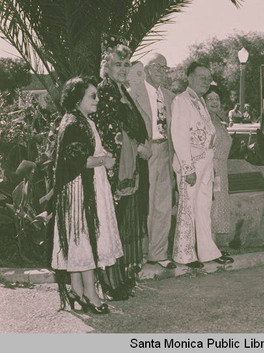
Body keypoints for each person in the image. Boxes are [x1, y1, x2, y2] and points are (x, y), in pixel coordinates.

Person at [50, 76, 123, 314]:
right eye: (92, 96)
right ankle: (91, 295)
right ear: (77, 97)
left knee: (79, 239)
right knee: (83, 237)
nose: (97, 100)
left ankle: (77, 291)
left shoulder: (82, 121)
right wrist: (105, 161)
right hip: (79, 189)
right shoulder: (74, 123)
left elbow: (86, 151)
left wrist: (103, 153)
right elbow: (78, 160)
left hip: (86, 186)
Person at [95, 41, 150, 299]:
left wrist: (142, 145)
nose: (123, 68)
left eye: (127, 64)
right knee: (112, 224)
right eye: (118, 64)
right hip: (114, 171)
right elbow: (109, 131)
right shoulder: (104, 91)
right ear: (106, 65)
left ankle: (122, 277)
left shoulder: (122, 90)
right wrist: (137, 147)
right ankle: (109, 282)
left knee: (123, 224)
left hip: (129, 170)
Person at [171, 62, 233, 268]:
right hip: (192, 165)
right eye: (201, 77)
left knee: (204, 208)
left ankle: (207, 251)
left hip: (206, 164)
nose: (206, 81)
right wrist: (187, 168)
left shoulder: (200, 102)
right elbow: (179, 135)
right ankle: (184, 255)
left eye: (208, 78)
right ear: (189, 78)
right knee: (187, 209)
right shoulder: (182, 100)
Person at [128, 53, 177, 270]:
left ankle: (158, 253)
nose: (161, 71)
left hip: (166, 151)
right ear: (146, 69)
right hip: (145, 154)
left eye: (165, 68)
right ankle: (139, 253)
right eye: (157, 67)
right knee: (143, 205)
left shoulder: (170, 97)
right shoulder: (133, 94)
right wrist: (138, 147)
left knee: (163, 205)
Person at [204, 85, 233, 236]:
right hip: (212, 170)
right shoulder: (204, 121)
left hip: (221, 170)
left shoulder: (218, 120)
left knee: (218, 205)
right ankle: (209, 245)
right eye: (210, 99)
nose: (214, 102)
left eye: (217, 98)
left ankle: (213, 245)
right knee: (211, 206)